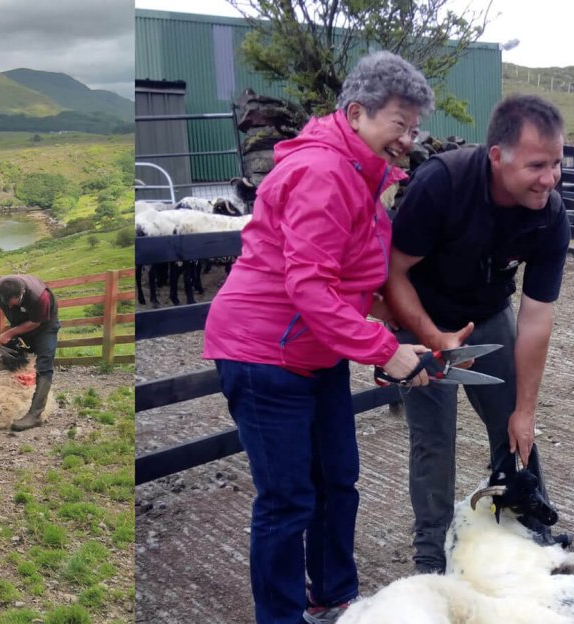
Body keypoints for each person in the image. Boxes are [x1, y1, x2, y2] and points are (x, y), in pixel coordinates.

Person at [200, 51, 434, 624]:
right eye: (398, 125)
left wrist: (391, 330)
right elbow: (310, 287)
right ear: (356, 114)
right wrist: (384, 348)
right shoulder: (323, 172)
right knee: (287, 500)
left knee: (337, 480)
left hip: (314, 350)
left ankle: (333, 597)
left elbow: (349, 277)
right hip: (262, 353)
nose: (407, 139)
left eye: (413, 127)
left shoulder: (360, 174)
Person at [385, 94, 571, 575]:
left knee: (514, 428)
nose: (549, 179)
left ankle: (532, 535)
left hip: (489, 313)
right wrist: (431, 336)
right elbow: (394, 272)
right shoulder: (442, 185)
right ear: (497, 156)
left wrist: (526, 411)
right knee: (433, 437)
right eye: (536, 165)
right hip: (422, 313)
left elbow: (535, 319)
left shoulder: (550, 215)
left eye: (556, 163)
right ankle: (431, 559)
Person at [0, 274, 62, 432]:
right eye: (8, 305)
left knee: (44, 363)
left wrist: (10, 333)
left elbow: (36, 322)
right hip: (20, 322)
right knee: (10, 356)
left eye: (15, 303)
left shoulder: (40, 296)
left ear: (22, 294)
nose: (11, 307)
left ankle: (35, 415)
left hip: (44, 325)